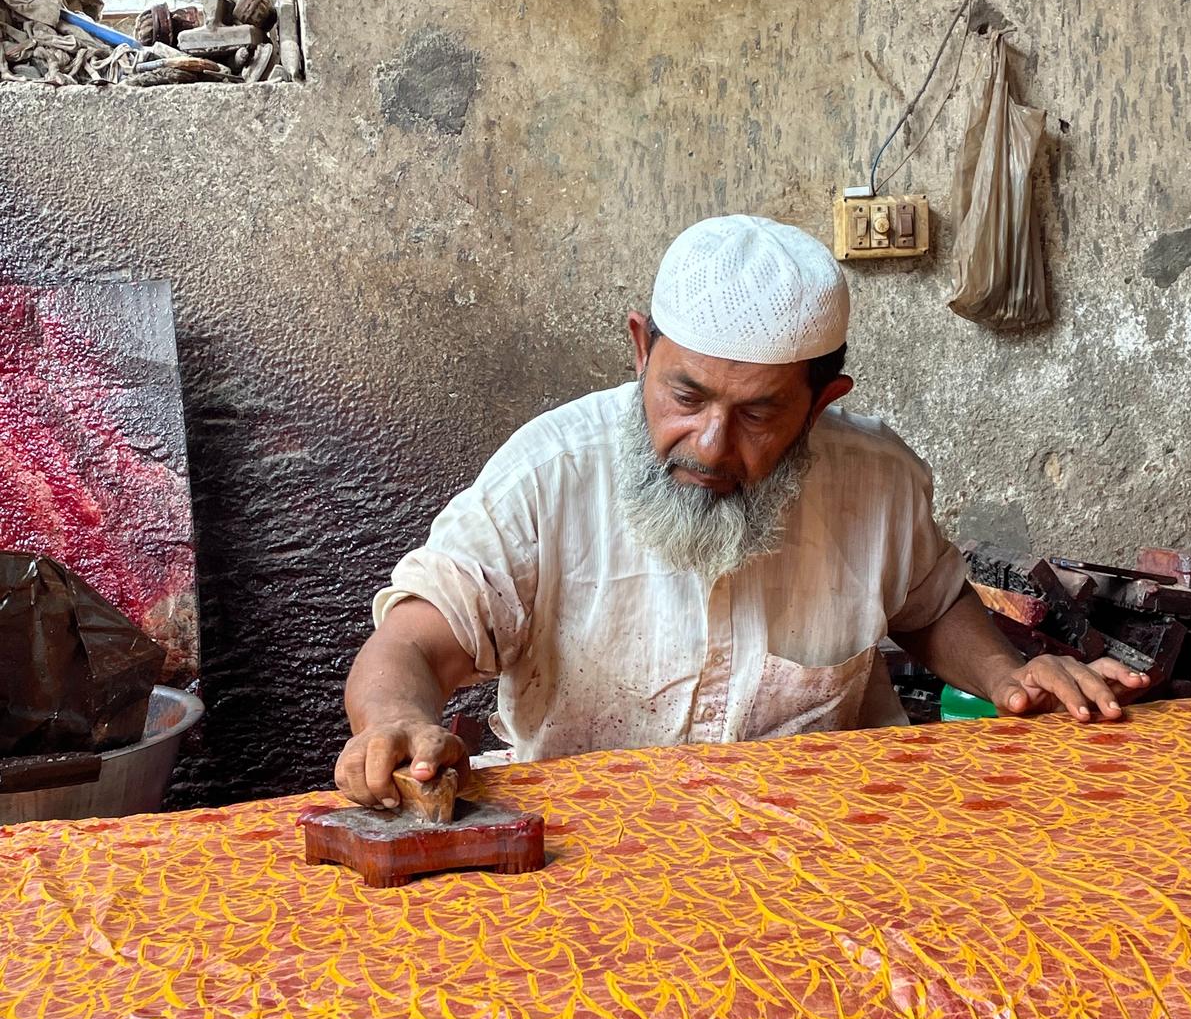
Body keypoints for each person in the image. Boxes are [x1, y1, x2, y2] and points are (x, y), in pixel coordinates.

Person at [336, 215, 1146, 808]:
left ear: (824, 401)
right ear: (640, 349)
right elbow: (411, 641)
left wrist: (1006, 674)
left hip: (827, 843)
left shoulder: (878, 480)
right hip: (595, 851)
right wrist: (394, 721)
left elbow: (928, 607)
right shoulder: (548, 475)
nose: (710, 444)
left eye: (759, 414)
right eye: (684, 395)